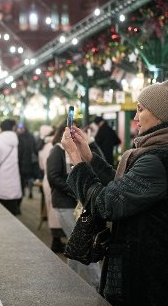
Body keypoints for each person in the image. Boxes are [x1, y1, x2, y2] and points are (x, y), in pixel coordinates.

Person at [62, 77, 168, 305]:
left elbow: (106, 204)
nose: (135, 118)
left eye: (140, 109)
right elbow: (123, 187)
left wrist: (76, 163)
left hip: (148, 277)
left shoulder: (159, 159)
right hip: (165, 269)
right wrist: (88, 156)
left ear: (160, 114)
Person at [47, 122, 103, 289]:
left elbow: (101, 161)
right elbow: (53, 177)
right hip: (65, 204)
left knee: (76, 247)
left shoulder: (81, 149)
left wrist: (90, 141)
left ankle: (70, 284)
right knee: (83, 243)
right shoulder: (57, 151)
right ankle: (97, 286)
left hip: (81, 205)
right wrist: (76, 189)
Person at [0, 119, 22, 215]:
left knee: (1, 216)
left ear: (1, 129)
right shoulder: (14, 142)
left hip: (1, 186)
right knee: (12, 215)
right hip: (13, 185)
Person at [38, 125, 64, 253]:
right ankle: (57, 242)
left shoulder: (44, 146)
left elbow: (41, 165)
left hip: (46, 179)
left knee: (51, 211)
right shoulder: (55, 148)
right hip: (52, 181)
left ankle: (56, 241)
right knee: (55, 212)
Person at [17, 122, 39, 199]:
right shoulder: (31, 137)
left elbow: (19, 152)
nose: (19, 130)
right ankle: (30, 191)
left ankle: (23, 193)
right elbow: (35, 149)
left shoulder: (19, 137)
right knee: (30, 178)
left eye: (21, 129)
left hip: (23, 162)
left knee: (23, 178)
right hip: (30, 162)